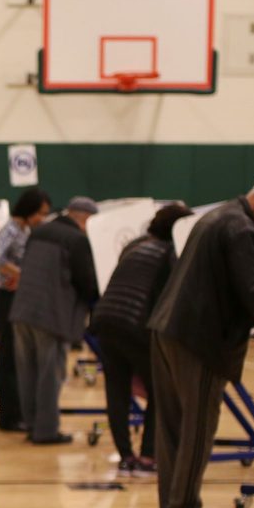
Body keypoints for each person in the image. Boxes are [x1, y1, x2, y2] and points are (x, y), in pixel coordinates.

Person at [147, 174, 254, 508]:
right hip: (198, 340)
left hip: (167, 329)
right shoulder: (242, 230)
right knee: (198, 430)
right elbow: (252, 294)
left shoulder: (219, 216)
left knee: (171, 430)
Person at [91, 202, 194, 477]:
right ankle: (148, 456)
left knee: (117, 390)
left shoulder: (134, 244)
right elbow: (168, 298)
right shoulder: (171, 252)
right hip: (135, 324)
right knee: (160, 391)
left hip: (105, 318)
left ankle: (126, 457)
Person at [9, 196, 100, 444]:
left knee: (27, 372)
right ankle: (46, 431)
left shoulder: (39, 231)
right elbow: (86, 282)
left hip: (22, 310)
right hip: (52, 315)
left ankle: (31, 424)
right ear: (86, 219)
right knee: (50, 374)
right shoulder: (77, 240)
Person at [0, 188, 53, 432]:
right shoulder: (12, 229)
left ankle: (17, 413)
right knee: (8, 357)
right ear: (29, 209)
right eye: (40, 213)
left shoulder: (25, 230)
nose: (42, 218)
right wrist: (22, 275)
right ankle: (8, 417)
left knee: (16, 357)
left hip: (17, 297)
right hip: (7, 299)